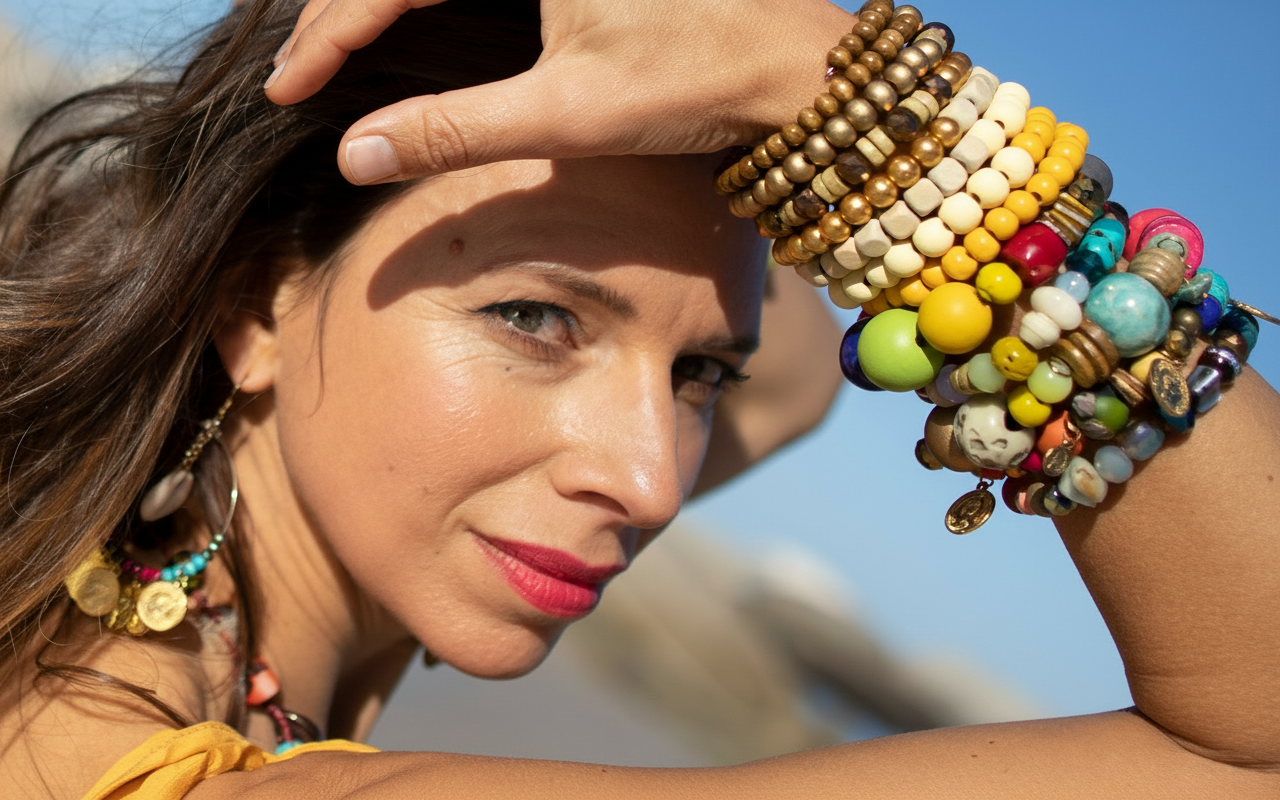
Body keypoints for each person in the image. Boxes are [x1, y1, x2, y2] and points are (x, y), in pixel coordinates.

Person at [0, 2, 1277, 799]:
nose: (653, 479)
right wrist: (853, 90)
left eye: (694, 377)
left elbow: (782, 376)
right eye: (534, 319)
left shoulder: (111, 568)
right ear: (252, 298)